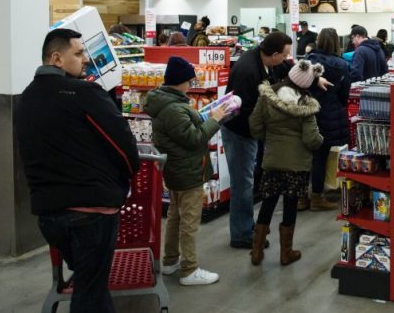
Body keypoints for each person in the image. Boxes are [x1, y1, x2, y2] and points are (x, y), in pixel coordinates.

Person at [16, 28, 139, 312]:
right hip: (91, 214)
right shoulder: (84, 93)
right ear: (57, 58)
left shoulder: (26, 98)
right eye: (79, 53)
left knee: (89, 282)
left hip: (48, 217)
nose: (86, 59)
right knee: (91, 292)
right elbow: (122, 145)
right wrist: (125, 178)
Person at [144, 57, 232, 285]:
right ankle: (189, 270)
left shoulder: (168, 102)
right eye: (191, 82)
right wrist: (215, 119)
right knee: (189, 221)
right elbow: (194, 139)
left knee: (175, 216)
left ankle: (171, 261)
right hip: (186, 170)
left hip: (176, 168)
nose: (191, 86)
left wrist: (203, 116)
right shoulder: (173, 109)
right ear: (181, 81)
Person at [248, 59, 324, 266]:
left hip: (272, 159)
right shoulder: (306, 105)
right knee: (290, 204)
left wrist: (269, 139)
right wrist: (320, 142)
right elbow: (311, 139)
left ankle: (256, 251)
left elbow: (254, 124)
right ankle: (286, 253)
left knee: (268, 202)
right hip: (297, 163)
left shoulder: (268, 95)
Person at [221, 32, 294, 249]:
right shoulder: (247, 71)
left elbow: (287, 70)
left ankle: (247, 226)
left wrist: (313, 77)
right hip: (239, 133)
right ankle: (242, 235)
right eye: (284, 55)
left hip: (249, 133)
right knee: (242, 184)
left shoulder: (265, 61)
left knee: (247, 181)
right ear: (273, 54)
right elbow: (242, 111)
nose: (286, 59)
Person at [302, 28, 350, 211]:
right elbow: (344, 94)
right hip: (330, 113)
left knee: (304, 155)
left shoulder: (308, 61)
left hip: (306, 112)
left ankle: (299, 197)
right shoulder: (342, 64)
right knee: (321, 156)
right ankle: (317, 196)